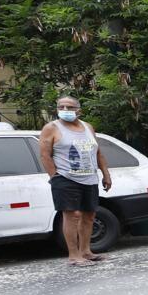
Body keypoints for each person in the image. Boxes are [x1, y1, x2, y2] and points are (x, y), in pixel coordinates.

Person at [37, 95, 112, 267]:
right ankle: (74, 255)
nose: (65, 110)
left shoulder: (88, 127)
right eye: (61, 107)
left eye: (69, 107)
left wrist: (105, 174)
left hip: (90, 177)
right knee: (72, 216)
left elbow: (98, 152)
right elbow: (44, 154)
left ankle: (86, 251)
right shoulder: (51, 128)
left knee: (89, 215)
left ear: (79, 110)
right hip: (65, 178)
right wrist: (54, 177)